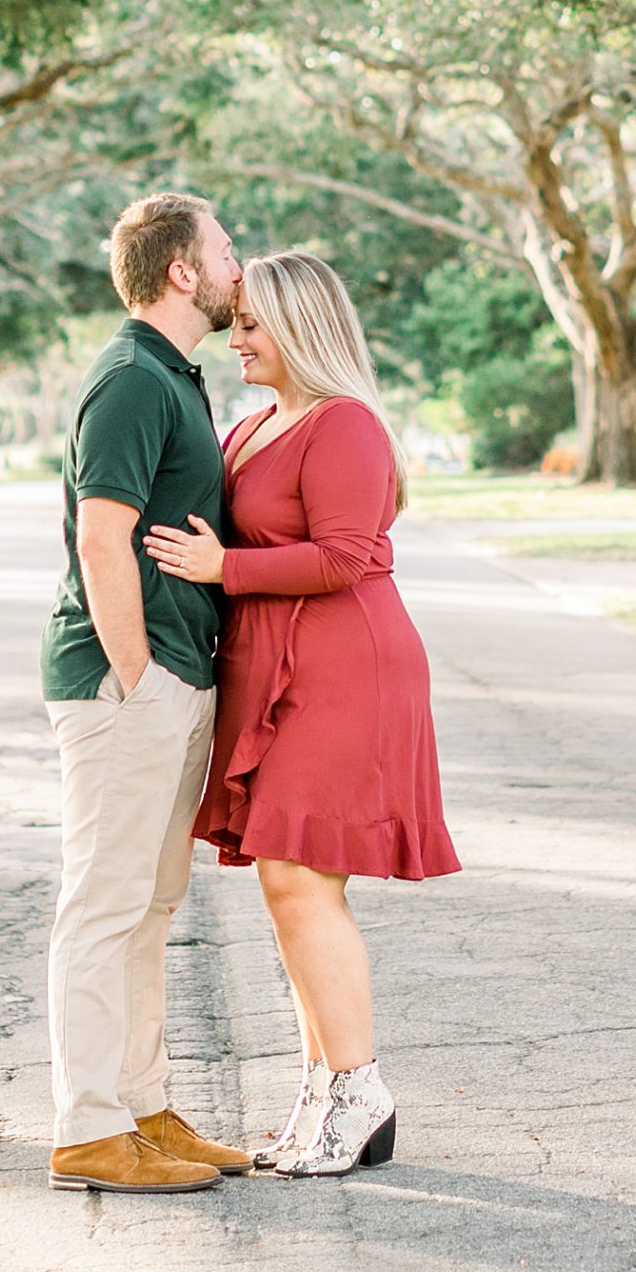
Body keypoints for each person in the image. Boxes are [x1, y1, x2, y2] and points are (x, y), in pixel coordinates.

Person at [145, 249, 460, 1178]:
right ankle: (324, 1090)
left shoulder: (346, 426)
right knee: (288, 883)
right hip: (274, 667)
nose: (233, 338)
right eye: (234, 321)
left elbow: (346, 555)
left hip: (344, 668)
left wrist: (224, 570)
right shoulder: (252, 429)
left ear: (301, 326)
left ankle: (358, 1088)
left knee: (298, 877)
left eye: (250, 323)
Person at [39, 191, 255, 1194]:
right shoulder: (130, 377)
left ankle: (142, 1105)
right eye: (223, 247)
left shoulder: (178, 374)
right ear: (181, 270)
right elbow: (100, 534)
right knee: (106, 904)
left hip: (172, 674)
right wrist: (138, 677)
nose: (235, 262)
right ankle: (89, 1125)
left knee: (151, 906)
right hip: (127, 683)